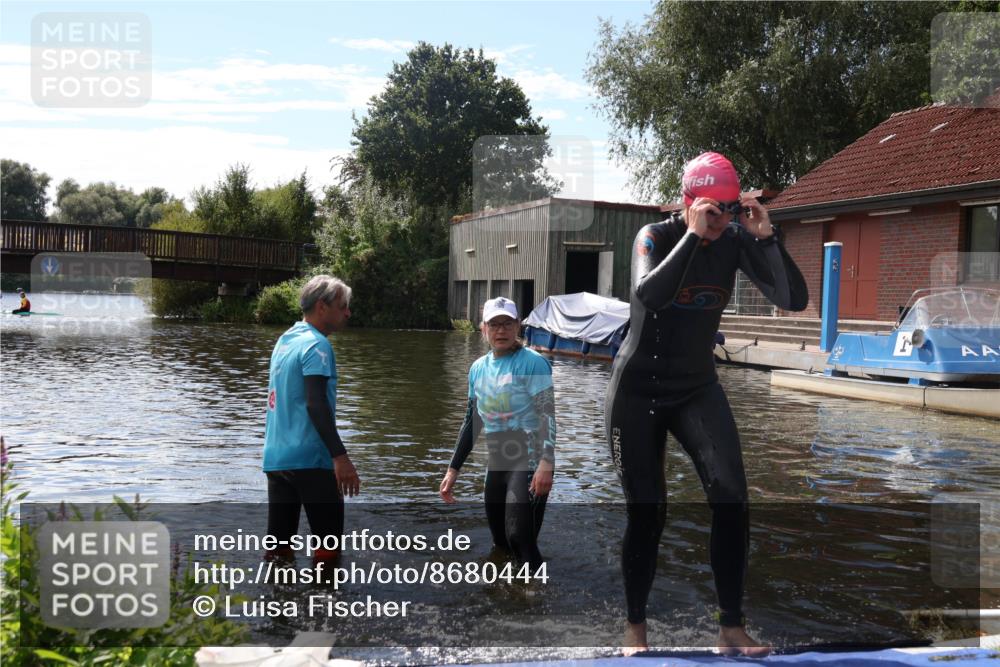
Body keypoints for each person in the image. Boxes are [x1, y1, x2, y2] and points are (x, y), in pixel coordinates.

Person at [605, 152, 808, 656]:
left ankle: (730, 628)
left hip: (696, 386)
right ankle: (636, 629)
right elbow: (649, 295)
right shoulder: (654, 236)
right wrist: (694, 236)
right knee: (648, 512)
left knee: (732, 497)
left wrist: (767, 238)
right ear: (689, 203)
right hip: (637, 391)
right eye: (709, 210)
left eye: (727, 208)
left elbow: (793, 300)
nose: (719, 220)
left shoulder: (737, 239)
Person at [439, 296, 555, 570]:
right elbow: (472, 422)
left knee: (520, 538)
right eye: (494, 324)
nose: (500, 330)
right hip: (498, 460)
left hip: (530, 458)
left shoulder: (533, 363)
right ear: (484, 329)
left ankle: (537, 599)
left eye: (507, 324)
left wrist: (546, 464)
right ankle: (506, 595)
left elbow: (546, 416)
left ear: (518, 326)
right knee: (501, 542)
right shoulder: (478, 369)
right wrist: (453, 470)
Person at [263, 275, 360, 566]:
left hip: (277, 459)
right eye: (343, 306)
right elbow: (315, 404)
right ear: (322, 307)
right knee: (327, 550)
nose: (347, 313)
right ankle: (325, 606)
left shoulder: (286, 340)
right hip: (312, 460)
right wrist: (340, 457)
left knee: (278, 550)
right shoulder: (317, 346)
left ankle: (279, 608)